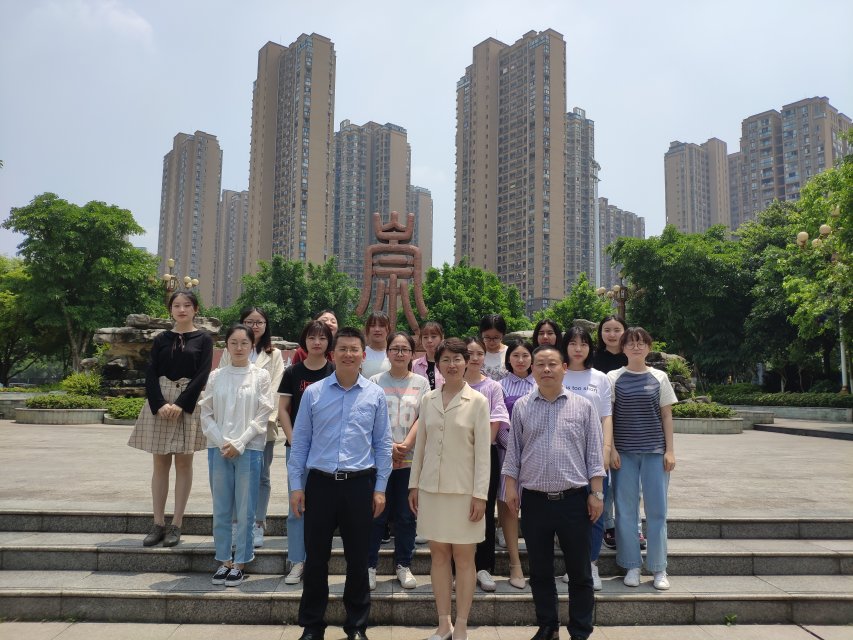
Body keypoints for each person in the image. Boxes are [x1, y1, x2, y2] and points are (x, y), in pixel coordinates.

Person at [287, 327, 392, 640]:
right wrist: (296, 485)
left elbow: (383, 444)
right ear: (333, 354)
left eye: (354, 349)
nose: (348, 354)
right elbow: (300, 442)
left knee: (358, 560)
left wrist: (380, 488)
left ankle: (356, 626)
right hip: (320, 485)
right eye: (343, 348)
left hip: (359, 486)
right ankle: (312, 626)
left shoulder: (375, 394)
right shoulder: (314, 393)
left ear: (363, 355)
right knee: (316, 560)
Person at [502, 345, 605, 640]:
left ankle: (580, 630)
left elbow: (594, 454)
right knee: (540, 571)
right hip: (535, 501)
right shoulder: (522, 406)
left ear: (564, 368)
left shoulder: (583, 406)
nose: (546, 369)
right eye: (540, 364)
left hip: (574, 500)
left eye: (552, 364)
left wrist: (596, 493)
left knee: (580, 572)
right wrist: (510, 486)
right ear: (532, 369)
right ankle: (548, 627)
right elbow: (514, 452)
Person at [409, 338, 491, 640]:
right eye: (446, 359)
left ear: (467, 362)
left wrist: (480, 495)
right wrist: (414, 484)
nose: (452, 365)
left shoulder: (478, 401)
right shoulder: (428, 399)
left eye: (457, 359)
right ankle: (444, 624)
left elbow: (483, 453)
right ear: (438, 364)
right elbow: (421, 446)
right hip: (431, 491)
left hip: (465, 493)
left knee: (465, 559)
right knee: (439, 557)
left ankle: (462, 625)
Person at [129, 291, 212, 548]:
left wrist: (181, 404)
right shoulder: (161, 339)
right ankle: (158, 523)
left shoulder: (204, 339)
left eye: (187, 305)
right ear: (170, 310)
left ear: (195, 309)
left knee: (184, 464)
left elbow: (203, 374)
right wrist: (160, 404)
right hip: (161, 403)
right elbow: (151, 372)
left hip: (187, 403)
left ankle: (176, 523)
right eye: (176, 305)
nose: (182, 309)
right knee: (160, 464)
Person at [199, 324, 274, 586]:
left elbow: (263, 413)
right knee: (221, 507)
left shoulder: (260, 376)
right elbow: (206, 413)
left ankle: (240, 561)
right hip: (218, 449)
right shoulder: (216, 376)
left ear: (252, 346)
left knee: (245, 508)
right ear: (226, 346)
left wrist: (240, 443)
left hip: (249, 449)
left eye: (244, 343)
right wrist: (223, 442)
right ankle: (223, 560)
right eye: (234, 342)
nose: (239, 347)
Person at [607, 327, 677, 591]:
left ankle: (659, 567)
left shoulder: (660, 377)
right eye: (631, 343)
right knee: (625, 511)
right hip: (624, 454)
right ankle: (631, 565)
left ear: (649, 347)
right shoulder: (613, 377)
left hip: (654, 452)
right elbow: (609, 415)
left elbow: (666, 415)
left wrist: (670, 451)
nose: (636, 347)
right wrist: (612, 449)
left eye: (641, 343)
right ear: (623, 348)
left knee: (657, 511)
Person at [217, 307, 285, 548]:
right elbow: (221, 382)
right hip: (232, 427)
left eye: (259, 322)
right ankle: (237, 524)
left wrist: (263, 420)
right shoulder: (230, 351)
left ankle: (257, 523)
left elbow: (275, 389)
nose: (255, 326)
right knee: (235, 477)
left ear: (266, 325)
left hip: (262, 427)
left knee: (261, 476)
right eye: (249, 321)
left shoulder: (274, 354)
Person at [367, 332, 429, 591]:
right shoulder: (374, 381)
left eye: (405, 349)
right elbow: (370, 418)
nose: (400, 353)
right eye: (395, 348)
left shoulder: (421, 383)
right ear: (388, 352)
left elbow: (423, 417)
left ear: (412, 354)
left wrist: (406, 445)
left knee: (406, 516)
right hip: (380, 461)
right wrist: (389, 447)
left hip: (410, 460)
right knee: (376, 515)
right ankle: (369, 566)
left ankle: (404, 564)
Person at [277, 320, 335, 585]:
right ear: (305, 341)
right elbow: (283, 410)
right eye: (312, 337)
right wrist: (295, 441)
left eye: (322, 338)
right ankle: (297, 561)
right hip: (298, 451)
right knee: (296, 507)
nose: (317, 342)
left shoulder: (334, 371)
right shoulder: (293, 372)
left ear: (328, 342)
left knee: (323, 509)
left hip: (327, 452)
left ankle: (317, 560)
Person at [560, 325, 613, 591]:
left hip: (593, 456)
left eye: (583, 343)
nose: (578, 348)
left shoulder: (600, 378)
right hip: (563, 456)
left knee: (595, 512)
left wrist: (606, 450)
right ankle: (573, 564)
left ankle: (590, 564)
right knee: (568, 515)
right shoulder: (558, 373)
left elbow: (607, 417)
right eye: (572, 343)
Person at [463, 336, 510, 593]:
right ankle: (461, 567)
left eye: (479, 353)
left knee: (485, 510)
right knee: (459, 510)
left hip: (485, 455)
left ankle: (484, 567)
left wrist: (480, 449)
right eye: (470, 353)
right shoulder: (453, 384)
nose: (475, 358)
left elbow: (497, 419)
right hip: (457, 457)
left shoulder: (493, 387)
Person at [497, 338, 536, 589]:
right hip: (507, 454)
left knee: (534, 511)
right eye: (515, 356)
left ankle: (537, 563)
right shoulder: (500, 386)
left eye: (525, 355)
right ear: (508, 359)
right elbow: (499, 422)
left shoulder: (540, 384)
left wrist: (529, 450)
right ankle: (514, 563)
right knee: (509, 509)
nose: (520, 360)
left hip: (537, 456)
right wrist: (514, 450)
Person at [591, 315, 632, 551]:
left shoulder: (632, 357)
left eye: (617, 329)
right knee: (603, 482)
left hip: (628, 427)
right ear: (601, 333)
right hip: (601, 427)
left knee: (627, 485)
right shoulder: (594, 360)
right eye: (607, 330)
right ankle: (608, 525)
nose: (612, 334)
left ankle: (630, 528)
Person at [412, 321, 445, 391]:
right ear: (421, 340)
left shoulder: (448, 363)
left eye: (433, 337)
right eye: (425, 337)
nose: (429, 340)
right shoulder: (414, 365)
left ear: (442, 338)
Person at [361, 311, 392, 379]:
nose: (377, 329)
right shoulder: (361, 353)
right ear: (368, 329)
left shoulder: (394, 353)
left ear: (388, 329)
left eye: (381, 326)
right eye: (372, 326)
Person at [479, 314, 508, 381]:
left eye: (496, 338)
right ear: (481, 334)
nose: (491, 342)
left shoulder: (510, 353)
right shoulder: (475, 352)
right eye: (487, 337)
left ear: (503, 335)